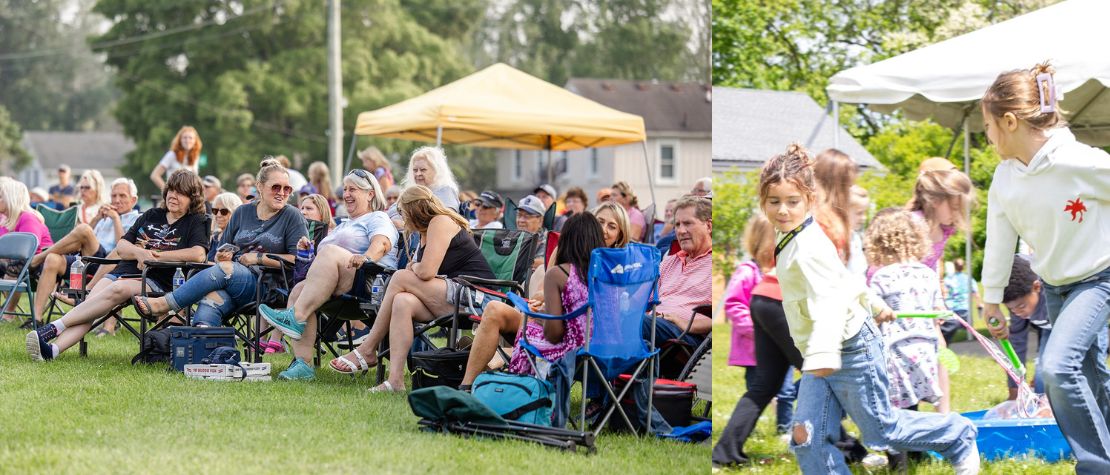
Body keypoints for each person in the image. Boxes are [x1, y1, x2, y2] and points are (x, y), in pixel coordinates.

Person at [759, 144, 979, 474]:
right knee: (807, 438)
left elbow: (831, 301)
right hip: (822, 353)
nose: (782, 210)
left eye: (792, 202)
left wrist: (821, 355)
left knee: (882, 431)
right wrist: (874, 303)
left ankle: (956, 434)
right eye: (774, 201)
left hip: (845, 349)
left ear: (810, 200)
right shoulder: (792, 233)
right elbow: (844, 279)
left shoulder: (807, 246)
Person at [980, 62, 1110, 473]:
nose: (986, 135)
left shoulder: (1079, 161)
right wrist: (990, 300)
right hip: (1055, 286)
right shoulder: (1005, 179)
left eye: (988, 125)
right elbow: (1000, 242)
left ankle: (1095, 466)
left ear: (1010, 121)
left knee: (1056, 368)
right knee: (1091, 377)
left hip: (1100, 279)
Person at [321, 185, 493, 392]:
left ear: (414, 209)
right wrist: (415, 267)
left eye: (402, 212)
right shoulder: (423, 233)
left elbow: (426, 272)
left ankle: (368, 348)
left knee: (401, 277)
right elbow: (422, 271)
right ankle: (395, 381)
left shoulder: (442, 221)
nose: (401, 219)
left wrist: (415, 267)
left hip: (478, 297)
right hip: (452, 297)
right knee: (403, 301)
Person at [25, 170, 209, 361]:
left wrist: (156, 256)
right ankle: (52, 350)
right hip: (123, 271)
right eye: (171, 190)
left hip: (155, 279)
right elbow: (122, 245)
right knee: (91, 306)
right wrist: (139, 253)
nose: (173, 195)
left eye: (180, 192)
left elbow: (198, 253)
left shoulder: (196, 221)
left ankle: (53, 328)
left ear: (192, 198)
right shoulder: (152, 215)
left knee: (116, 289)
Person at [131, 159, 307, 328]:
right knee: (209, 303)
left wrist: (258, 258)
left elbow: (298, 260)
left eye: (287, 188)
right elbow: (220, 252)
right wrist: (222, 256)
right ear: (260, 186)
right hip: (232, 282)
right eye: (276, 187)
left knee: (225, 269)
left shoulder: (292, 216)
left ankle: (164, 303)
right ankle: (203, 345)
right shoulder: (242, 212)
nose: (282, 192)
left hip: (270, 288)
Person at [258, 169, 398, 377]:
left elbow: (382, 243)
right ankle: (303, 365)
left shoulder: (377, 218)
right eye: (346, 189)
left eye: (354, 189)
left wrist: (367, 257)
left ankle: (295, 317)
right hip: (334, 284)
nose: (347, 194)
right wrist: (308, 253)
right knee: (297, 291)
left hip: (367, 282)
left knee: (331, 253)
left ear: (370, 194)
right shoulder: (344, 224)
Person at [458, 212, 603, 392]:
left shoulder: (560, 274)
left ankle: (504, 381)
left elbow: (554, 333)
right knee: (500, 311)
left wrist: (541, 316)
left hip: (567, 349)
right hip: (598, 348)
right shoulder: (608, 274)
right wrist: (544, 305)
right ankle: (491, 366)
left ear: (566, 240)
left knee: (524, 322)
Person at [712, 213, 800, 466]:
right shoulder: (747, 271)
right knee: (767, 387)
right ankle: (843, 445)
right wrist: (759, 329)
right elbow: (734, 304)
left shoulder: (780, 270)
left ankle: (785, 428)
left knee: (776, 389)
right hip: (754, 349)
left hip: (778, 344)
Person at [865, 208, 947, 471]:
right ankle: (919, 455)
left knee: (893, 409)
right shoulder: (928, 274)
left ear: (879, 242)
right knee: (911, 406)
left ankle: (899, 465)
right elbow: (940, 313)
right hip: (924, 350)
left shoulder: (881, 277)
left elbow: (872, 313)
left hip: (895, 350)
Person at [28, 178, 141, 328]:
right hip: (87, 260)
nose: (117, 200)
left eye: (122, 196)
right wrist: (96, 219)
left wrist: (115, 219)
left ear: (133, 200)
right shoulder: (105, 217)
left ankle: (37, 259)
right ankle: (36, 318)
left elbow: (122, 246)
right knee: (53, 259)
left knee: (84, 230)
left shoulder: (137, 218)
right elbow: (82, 238)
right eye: (114, 196)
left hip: (110, 263)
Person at [640, 196, 712, 348]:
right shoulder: (669, 261)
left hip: (687, 336)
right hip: (655, 325)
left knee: (637, 323)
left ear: (709, 226)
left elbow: (722, 318)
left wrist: (685, 323)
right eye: (677, 224)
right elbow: (643, 299)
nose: (680, 230)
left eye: (687, 223)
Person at [1001, 255, 1055, 399]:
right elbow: (1017, 343)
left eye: (1021, 306)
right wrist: (1014, 389)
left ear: (1037, 287)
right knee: (1041, 383)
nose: (1017, 312)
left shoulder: (1054, 293)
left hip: (1077, 328)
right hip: (1049, 330)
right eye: (1011, 309)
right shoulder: (1016, 299)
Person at [813, 149, 859, 264]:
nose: (852, 191)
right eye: (849, 186)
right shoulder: (822, 223)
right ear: (836, 186)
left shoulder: (829, 219)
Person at [0, 177, 52, 253]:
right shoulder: (4, 218)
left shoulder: (28, 218)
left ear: (10, 199)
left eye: (0, 197)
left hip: (35, 262)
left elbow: (26, 252)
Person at [941, 258, 983, 343]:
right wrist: (979, 304)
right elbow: (975, 293)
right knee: (970, 328)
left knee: (948, 330)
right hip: (964, 307)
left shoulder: (948, 279)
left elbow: (944, 292)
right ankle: (976, 342)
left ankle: (944, 344)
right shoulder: (968, 279)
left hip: (951, 307)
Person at [150, 126, 201, 191]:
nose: (187, 140)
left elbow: (194, 179)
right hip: (174, 195)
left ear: (195, 141)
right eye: (185, 138)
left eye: (190, 138)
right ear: (180, 140)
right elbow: (154, 175)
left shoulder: (195, 157)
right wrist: (168, 191)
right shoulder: (172, 154)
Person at [205, 192, 243, 262]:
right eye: (215, 211)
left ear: (235, 212)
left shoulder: (240, 238)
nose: (218, 215)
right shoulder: (214, 237)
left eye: (224, 211)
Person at [516, 195, 547, 270]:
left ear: (540, 220)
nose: (521, 220)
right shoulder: (511, 237)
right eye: (519, 215)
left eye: (527, 216)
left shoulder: (547, 240)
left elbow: (542, 263)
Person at [845, 185, 870, 277]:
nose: (864, 218)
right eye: (859, 213)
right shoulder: (840, 239)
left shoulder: (855, 237)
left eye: (865, 212)